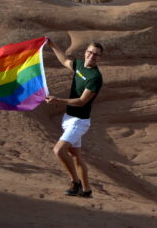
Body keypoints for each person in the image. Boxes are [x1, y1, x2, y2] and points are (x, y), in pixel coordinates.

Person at [45, 41, 103, 198]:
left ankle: (75, 182)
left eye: (96, 54)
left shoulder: (95, 78)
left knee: (58, 150)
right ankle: (87, 190)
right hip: (68, 118)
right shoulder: (79, 65)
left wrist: (57, 100)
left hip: (79, 121)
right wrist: (52, 45)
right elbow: (64, 60)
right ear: (85, 52)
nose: (92, 56)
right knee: (76, 156)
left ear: (99, 58)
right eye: (90, 52)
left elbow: (82, 101)